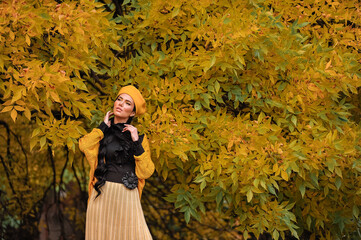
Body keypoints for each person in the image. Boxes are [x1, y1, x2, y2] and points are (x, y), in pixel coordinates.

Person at [79, 85, 154, 240]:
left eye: (127, 103)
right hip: (101, 193)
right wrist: (102, 127)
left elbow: (146, 172)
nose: (120, 104)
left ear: (133, 112)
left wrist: (136, 142)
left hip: (127, 196)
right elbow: (84, 145)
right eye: (119, 99)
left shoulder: (139, 138)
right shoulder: (102, 133)